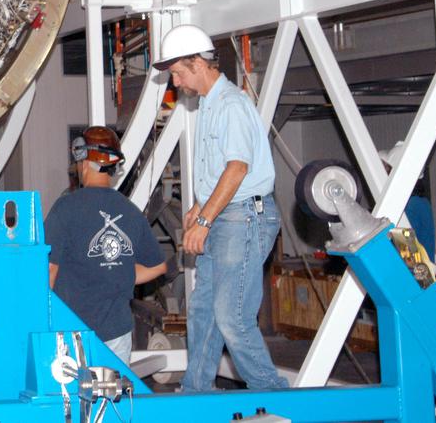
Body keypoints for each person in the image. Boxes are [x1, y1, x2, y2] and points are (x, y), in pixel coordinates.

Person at [154, 25, 288, 392]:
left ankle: (274, 395)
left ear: (198, 63)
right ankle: (196, 392)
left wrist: (204, 219)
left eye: (179, 72)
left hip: (244, 217)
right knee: (203, 313)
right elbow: (218, 171)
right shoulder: (210, 105)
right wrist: (198, 207)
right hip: (229, 215)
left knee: (232, 318)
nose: (176, 82)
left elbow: (237, 168)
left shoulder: (230, 104)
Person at [45, 126, 167, 363]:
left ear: (82, 160)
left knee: (71, 398)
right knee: (112, 398)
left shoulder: (65, 208)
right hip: (117, 334)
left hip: (72, 333)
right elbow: (158, 267)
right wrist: (117, 271)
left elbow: (49, 271)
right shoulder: (131, 212)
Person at [379, 141, 435, 257]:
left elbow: (407, 254)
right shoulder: (418, 202)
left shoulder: (410, 207)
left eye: (388, 170)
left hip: (411, 274)